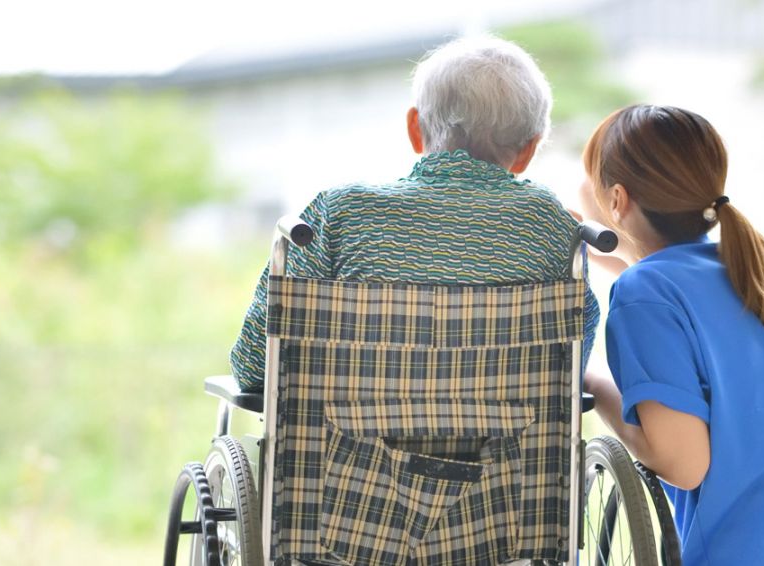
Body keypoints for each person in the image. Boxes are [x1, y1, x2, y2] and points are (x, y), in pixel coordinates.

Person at [230, 36, 599, 393]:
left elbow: (255, 365)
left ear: (415, 129)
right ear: (528, 151)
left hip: (348, 438)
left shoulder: (340, 214)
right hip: (514, 438)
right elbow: (567, 371)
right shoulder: (549, 225)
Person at [580, 104, 764, 565]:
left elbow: (683, 464)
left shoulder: (645, 292)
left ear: (618, 200)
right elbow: (671, 287)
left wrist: (593, 382)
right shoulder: (755, 267)